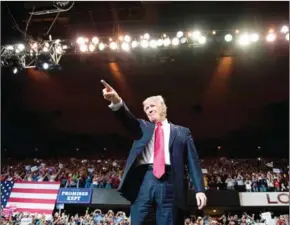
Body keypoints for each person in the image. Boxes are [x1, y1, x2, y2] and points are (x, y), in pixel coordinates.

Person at [101, 80, 207, 225]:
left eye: (152, 106)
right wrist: (116, 101)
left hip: (171, 183)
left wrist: (199, 190)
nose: (148, 109)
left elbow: (192, 162)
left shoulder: (182, 132)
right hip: (144, 180)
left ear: (162, 107)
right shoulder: (142, 127)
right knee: (141, 220)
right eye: (146, 108)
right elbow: (127, 119)